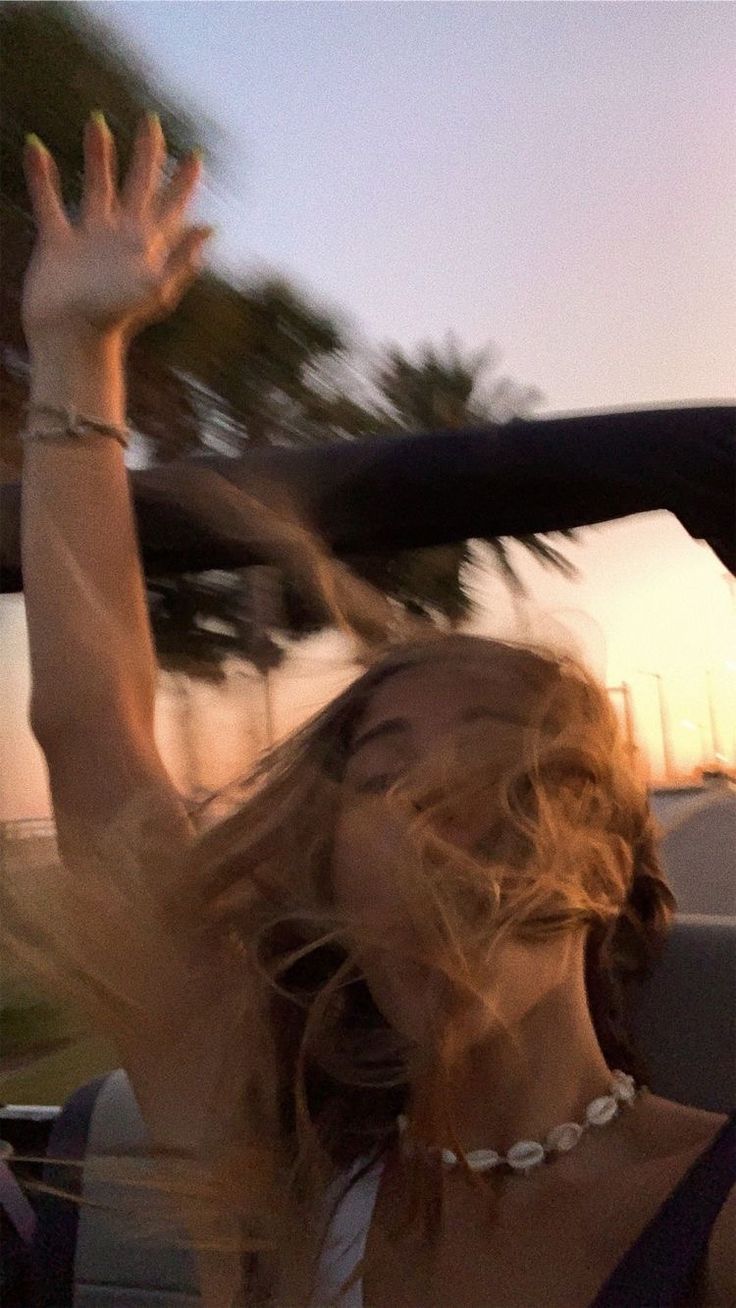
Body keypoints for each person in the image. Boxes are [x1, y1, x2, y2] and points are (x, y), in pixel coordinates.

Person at [5, 111, 734, 1308]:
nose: (439, 788)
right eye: (383, 765)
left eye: (506, 761)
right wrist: (75, 352)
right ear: (335, 876)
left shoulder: (709, 1202)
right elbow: (92, 731)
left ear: (606, 865)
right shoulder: (278, 1168)